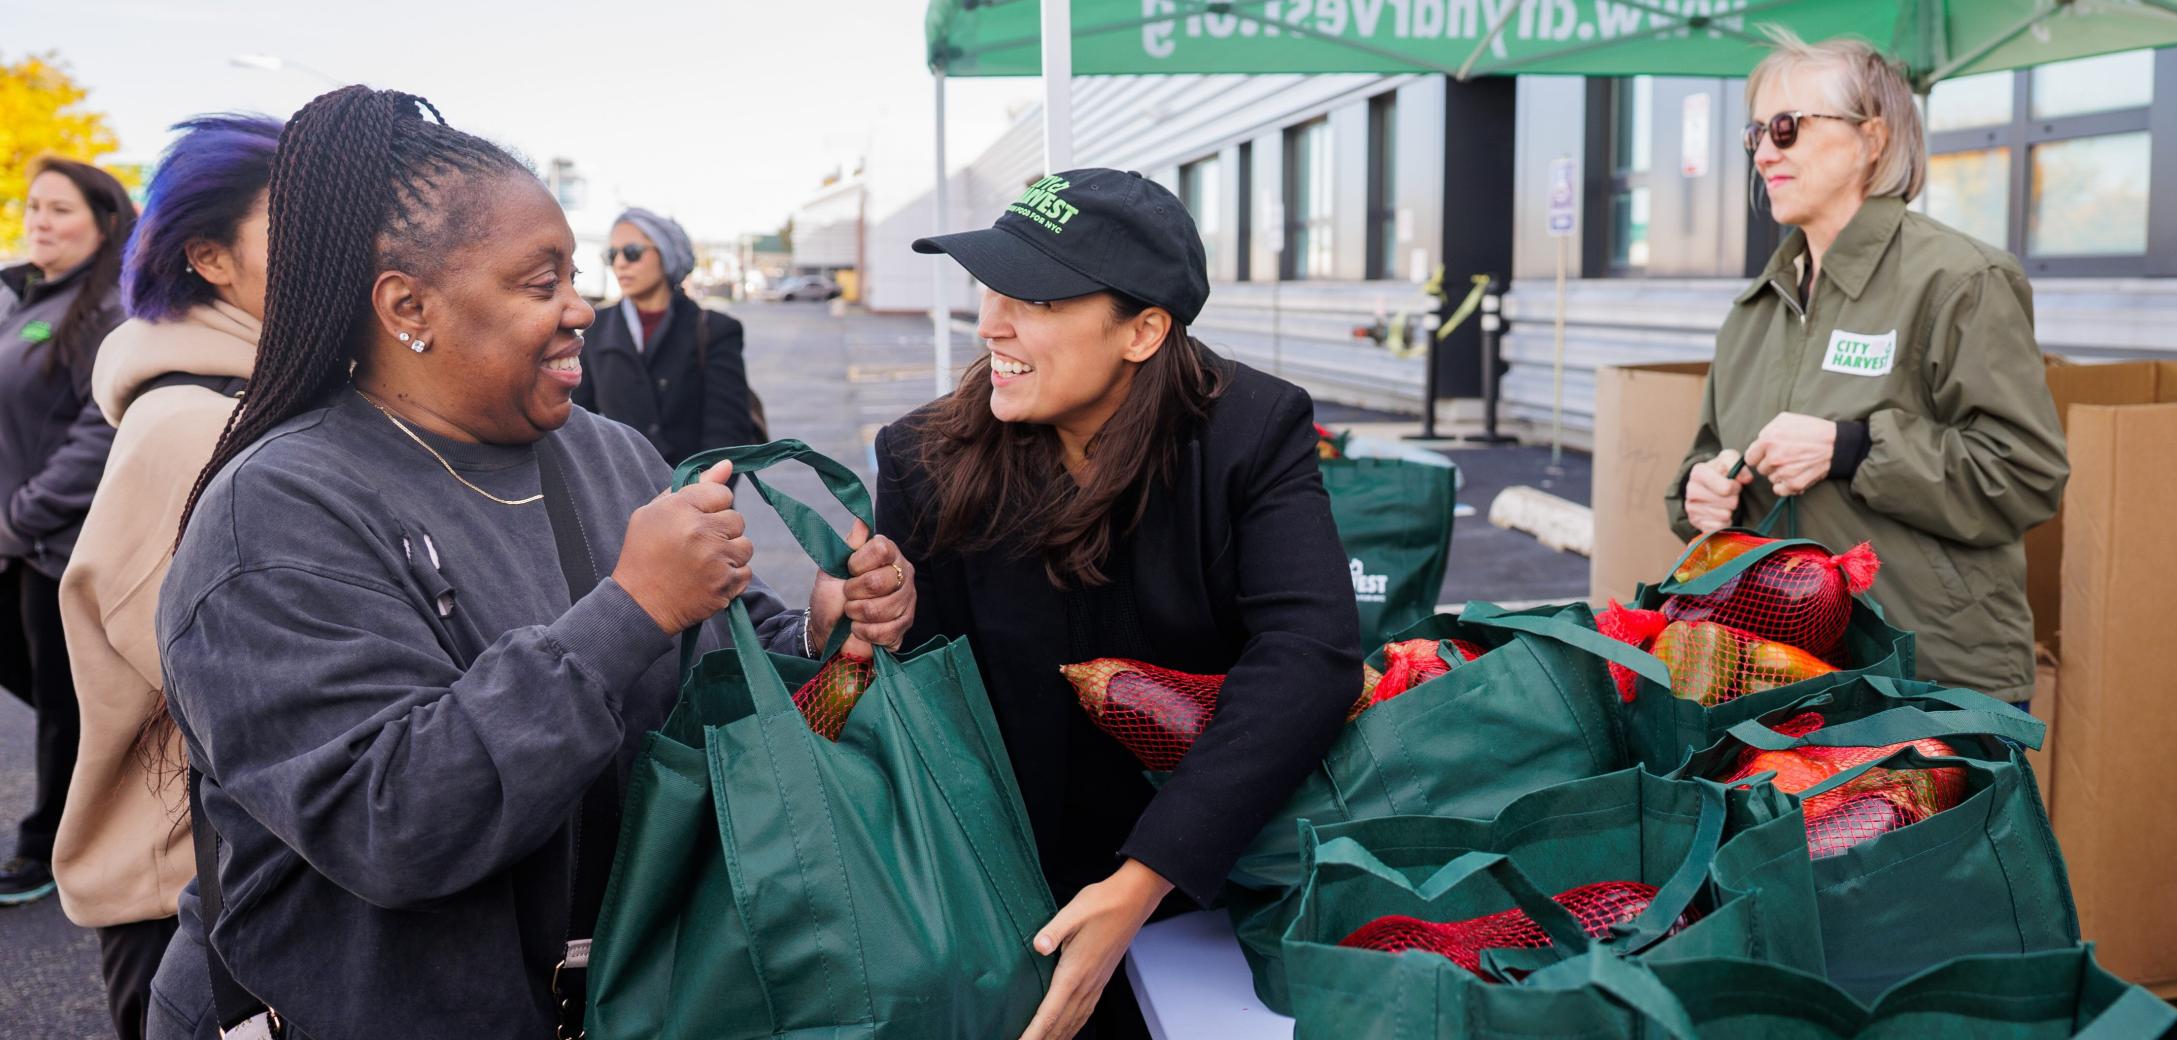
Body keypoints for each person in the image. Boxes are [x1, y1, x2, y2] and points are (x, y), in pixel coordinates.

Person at [146, 87, 912, 1039]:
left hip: (632, 999)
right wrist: (630, 606)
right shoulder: (275, 513)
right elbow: (392, 822)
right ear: (407, 307)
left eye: (576, 275)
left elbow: (714, 639)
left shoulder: (608, 452)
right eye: (539, 283)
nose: (581, 308)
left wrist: (815, 627)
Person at [878, 168, 1363, 1040]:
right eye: (990, 287)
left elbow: (1309, 655)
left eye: (1033, 296)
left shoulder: (1252, 431)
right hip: (999, 900)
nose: (991, 321)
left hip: (1204, 889)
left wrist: (1146, 879)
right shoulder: (923, 457)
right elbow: (915, 704)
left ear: (1143, 331)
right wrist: (850, 618)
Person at [1666, 31, 2068, 703]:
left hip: (1926, 679)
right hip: (1774, 674)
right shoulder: (1756, 308)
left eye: (1788, 128)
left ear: (1872, 139)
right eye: (1756, 132)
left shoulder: (1961, 279)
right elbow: (1707, 455)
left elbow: (2023, 475)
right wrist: (1697, 494)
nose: (1765, 152)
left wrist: (1853, 448)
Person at [52, 114, 281, 1040]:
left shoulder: (248, 396)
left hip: (231, 876)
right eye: (298, 223)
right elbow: (260, 700)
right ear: (209, 258)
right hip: (187, 902)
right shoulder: (193, 426)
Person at [0, 156, 135, 906]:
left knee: (61, 703)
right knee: (65, 702)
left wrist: (21, 516)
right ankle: (103, 776)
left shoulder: (109, 308)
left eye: (60, 210)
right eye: (33, 208)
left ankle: (48, 848)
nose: (39, 223)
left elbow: (99, 431)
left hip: (61, 544)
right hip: (16, 541)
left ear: (104, 223)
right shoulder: (23, 296)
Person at [568, 207, 761, 465]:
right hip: (620, 493)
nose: (620, 263)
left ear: (666, 254)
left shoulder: (715, 330)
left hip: (692, 492)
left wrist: (703, 492)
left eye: (632, 252)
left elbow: (726, 430)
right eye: (612, 255)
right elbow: (581, 420)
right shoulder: (597, 325)